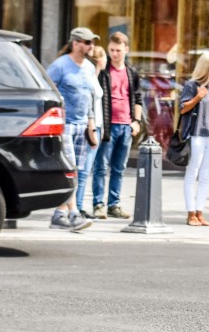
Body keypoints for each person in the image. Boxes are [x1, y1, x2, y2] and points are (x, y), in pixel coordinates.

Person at [44, 27, 98, 231]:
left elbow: (89, 97)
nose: (91, 46)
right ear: (76, 43)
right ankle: (74, 213)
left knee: (76, 171)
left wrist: (91, 123)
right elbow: (47, 92)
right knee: (69, 170)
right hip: (64, 125)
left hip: (82, 125)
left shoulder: (89, 68)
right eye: (87, 42)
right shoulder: (60, 66)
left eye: (92, 42)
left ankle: (59, 214)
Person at [92, 32, 143, 220]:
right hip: (107, 125)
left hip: (125, 125)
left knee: (119, 168)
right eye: (112, 50)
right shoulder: (104, 72)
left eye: (119, 50)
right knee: (100, 166)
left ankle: (114, 204)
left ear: (126, 50)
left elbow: (138, 98)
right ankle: (98, 204)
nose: (115, 54)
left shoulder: (131, 72)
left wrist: (136, 122)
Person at [179, 52, 209, 227]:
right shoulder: (192, 85)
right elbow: (183, 108)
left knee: (206, 176)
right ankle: (190, 213)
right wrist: (198, 97)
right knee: (192, 173)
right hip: (197, 134)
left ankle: (200, 212)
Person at [76, 44, 106, 218]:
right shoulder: (89, 78)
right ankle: (77, 207)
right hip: (91, 127)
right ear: (100, 60)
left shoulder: (95, 77)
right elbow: (88, 105)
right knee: (84, 170)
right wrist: (92, 127)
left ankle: (78, 206)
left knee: (86, 169)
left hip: (98, 126)